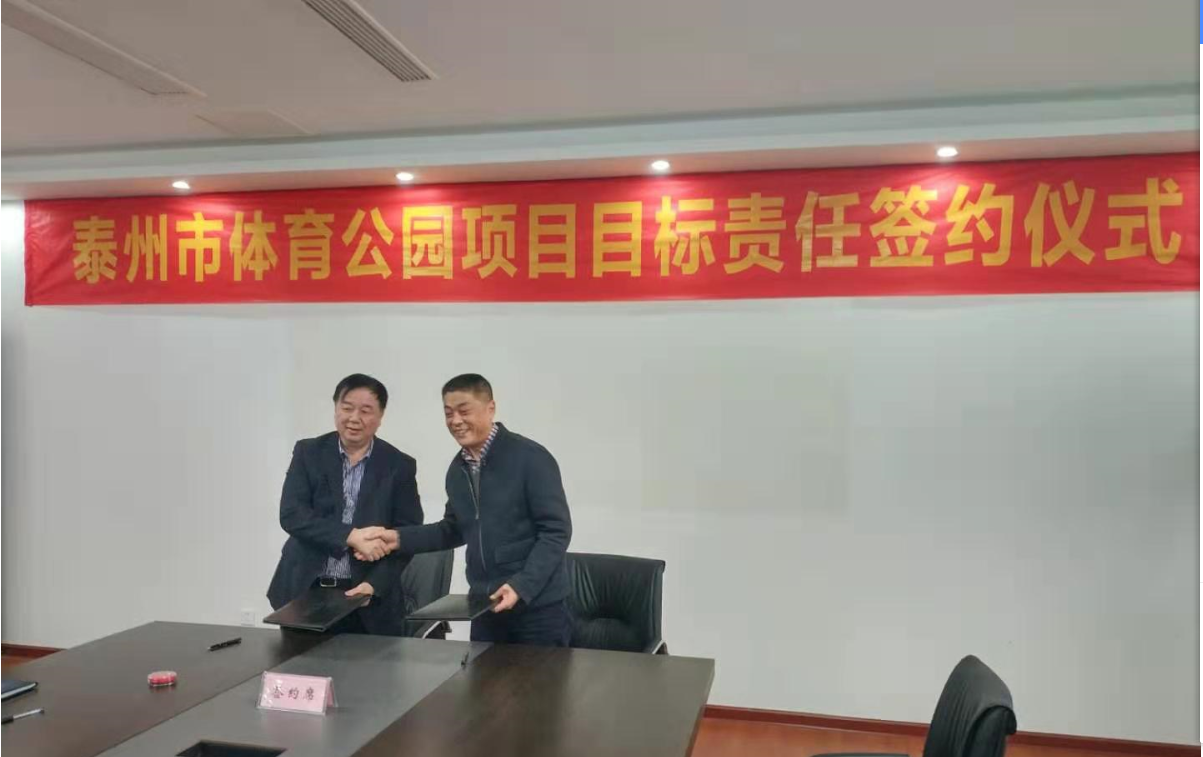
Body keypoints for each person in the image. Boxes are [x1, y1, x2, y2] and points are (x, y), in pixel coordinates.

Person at [360, 373, 573, 646]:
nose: (455, 421)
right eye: (448, 413)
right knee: (480, 675)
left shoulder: (531, 458)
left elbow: (556, 531)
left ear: (490, 408)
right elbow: (453, 529)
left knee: (541, 676)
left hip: (538, 609)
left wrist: (522, 585)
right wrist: (398, 538)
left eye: (464, 411)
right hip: (485, 605)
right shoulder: (457, 470)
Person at [267, 373, 423, 635]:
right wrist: (351, 536)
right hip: (305, 591)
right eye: (347, 408)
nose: (354, 418)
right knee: (299, 662)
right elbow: (292, 515)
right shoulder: (309, 453)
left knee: (366, 663)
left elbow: (407, 534)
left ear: (380, 416)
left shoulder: (399, 465)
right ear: (336, 408)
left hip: (366, 598)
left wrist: (375, 584)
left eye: (365, 410)